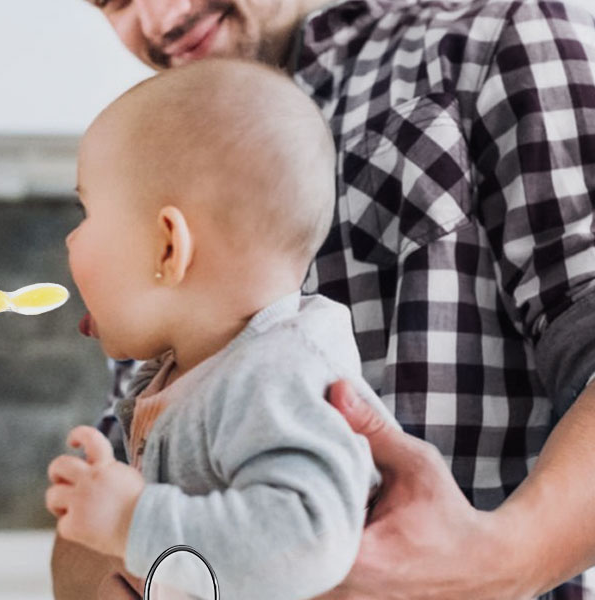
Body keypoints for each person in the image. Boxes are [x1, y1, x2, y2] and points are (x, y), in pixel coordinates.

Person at [55, 0, 595, 597]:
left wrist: (506, 559)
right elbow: (106, 515)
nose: (160, 20)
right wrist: (122, 561)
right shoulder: (151, 164)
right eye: (114, 0)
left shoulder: (494, 37)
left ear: (168, 246)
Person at [47, 59, 393, 600]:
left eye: (86, 212)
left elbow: (307, 542)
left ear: (168, 248)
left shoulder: (276, 374)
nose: (71, 241)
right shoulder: (198, 370)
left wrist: (132, 521)